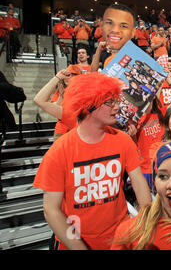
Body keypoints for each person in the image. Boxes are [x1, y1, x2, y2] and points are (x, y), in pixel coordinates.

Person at [33, 72, 152, 250]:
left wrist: (148, 224)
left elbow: (139, 182)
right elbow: (51, 209)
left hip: (120, 239)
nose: (117, 107)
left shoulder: (123, 140)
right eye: (110, 102)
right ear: (89, 105)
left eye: (117, 101)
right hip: (78, 242)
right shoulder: (59, 151)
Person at [91, 3, 136, 71]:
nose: (115, 30)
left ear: (133, 32)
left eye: (123, 26)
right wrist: (99, 50)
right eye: (110, 23)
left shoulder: (137, 57)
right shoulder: (107, 58)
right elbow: (92, 73)